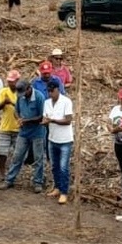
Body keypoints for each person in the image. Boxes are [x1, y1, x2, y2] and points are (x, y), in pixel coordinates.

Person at [4, 75, 50, 192]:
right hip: (24, 132)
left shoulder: (39, 97)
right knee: (17, 156)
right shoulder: (20, 97)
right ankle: (9, 180)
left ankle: (38, 182)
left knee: (38, 158)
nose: (23, 95)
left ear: (29, 88)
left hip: (37, 132)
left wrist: (27, 120)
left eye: (25, 92)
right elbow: (16, 111)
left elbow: (42, 116)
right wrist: (19, 118)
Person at [43, 77, 76, 205]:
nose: (50, 93)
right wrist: (46, 121)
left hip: (65, 139)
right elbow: (45, 117)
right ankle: (57, 187)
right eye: (49, 91)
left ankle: (64, 192)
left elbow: (68, 120)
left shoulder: (66, 102)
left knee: (63, 167)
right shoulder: (47, 103)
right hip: (52, 138)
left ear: (58, 90)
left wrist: (52, 120)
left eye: (52, 91)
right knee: (54, 166)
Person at [0, 70, 21, 181]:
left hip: (18, 127)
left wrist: (12, 103)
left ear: (18, 81)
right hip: (5, 126)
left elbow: (22, 107)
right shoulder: (3, 91)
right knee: (1, 152)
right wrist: (4, 102)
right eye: (9, 81)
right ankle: (2, 173)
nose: (11, 84)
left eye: (13, 81)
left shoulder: (22, 93)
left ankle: (13, 174)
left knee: (17, 154)